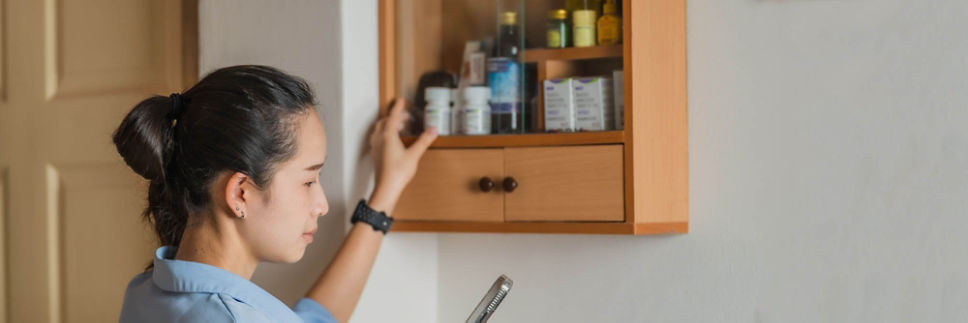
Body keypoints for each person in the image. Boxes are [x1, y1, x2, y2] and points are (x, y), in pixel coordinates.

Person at [114, 65, 438, 322]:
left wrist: (386, 191)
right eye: (309, 181)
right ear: (241, 193)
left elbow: (314, 319)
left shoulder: (147, 292)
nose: (321, 205)